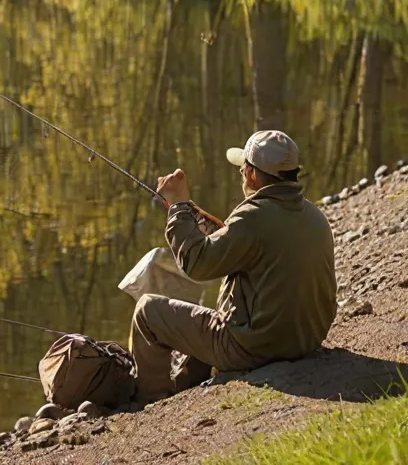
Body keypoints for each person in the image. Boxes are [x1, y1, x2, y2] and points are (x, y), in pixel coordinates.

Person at [128, 129, 337, 403]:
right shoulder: (314, 216)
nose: (241, 175)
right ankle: (183, 385)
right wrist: (218, 234)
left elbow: (197, 265)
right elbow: (265, 250)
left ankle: (151, 402)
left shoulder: (251, 218)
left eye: (242, 169)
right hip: (306, 340)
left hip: (259, 348)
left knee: (148, 310)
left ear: (251, 174)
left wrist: (178, 206)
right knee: (209, 323)